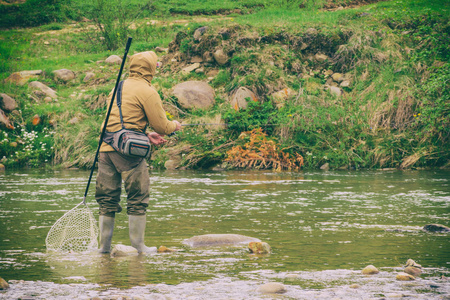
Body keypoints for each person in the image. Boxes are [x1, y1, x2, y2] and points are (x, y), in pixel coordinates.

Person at [95, 51, 181, 254]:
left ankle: (103, 249)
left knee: (107, 199)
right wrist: (175, 125)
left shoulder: (119, 86)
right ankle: (138, 246)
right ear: (150, 68)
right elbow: (163, 126)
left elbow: (118, 120)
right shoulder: (147, 90)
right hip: (128, 152)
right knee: (137, 197)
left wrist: (146, 134)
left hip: (106, 148)